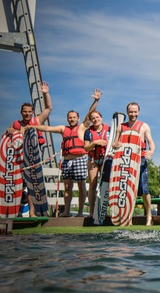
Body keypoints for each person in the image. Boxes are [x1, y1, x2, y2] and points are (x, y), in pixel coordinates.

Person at [32, 90, 100, 217]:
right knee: (67, 187)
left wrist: (95, 101)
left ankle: (80, 212)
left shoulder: (82, 127)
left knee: (81, 186)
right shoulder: (63, 129)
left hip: (79, 159)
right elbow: (47, 128)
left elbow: (90, 114)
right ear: (67, 119)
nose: (72, 119)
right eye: (70, 117)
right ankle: (67, 211)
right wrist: (32, 127)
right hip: (67, 161)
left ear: (78, 118)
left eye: (74, 117)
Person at [5, 81, 53, 217]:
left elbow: (49, 108)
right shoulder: (16, 124)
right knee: (18, 186)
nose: (27, 114)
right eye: (25, 112)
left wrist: (46, 93)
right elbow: (5, 138)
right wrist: (9, 130)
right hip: (17, 160)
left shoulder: (36, 121)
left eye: (29, 112)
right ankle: (16, 212)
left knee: (32, 186)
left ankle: (32, 212)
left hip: (32, 160)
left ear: (32, 113)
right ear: (21, 112)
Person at [117, 102, 155, 226]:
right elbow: (114, 143)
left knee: (144, 189)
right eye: (131, 112)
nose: (133, 114)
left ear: (138, 112)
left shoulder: (144, 126)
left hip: (140, 160)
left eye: (135, 112)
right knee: (127, 190)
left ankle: (149, 216)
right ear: (127, 112)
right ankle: (129, 217)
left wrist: (151, 151)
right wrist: (116, 145)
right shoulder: (121, 127)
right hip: (125, 161)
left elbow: (150, 142)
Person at [82, 89, 107, 218]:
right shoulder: (88, 131)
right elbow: (86, 148)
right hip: (92, 160)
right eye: (93, 118)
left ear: (101, 118)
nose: (95, 119)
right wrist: (95, 142)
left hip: (105, 159)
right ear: (91, 120)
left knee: (105, 185)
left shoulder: (110, 129)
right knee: (92, 185)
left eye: (97, 117)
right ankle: (91, 212)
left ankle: (104, 211)